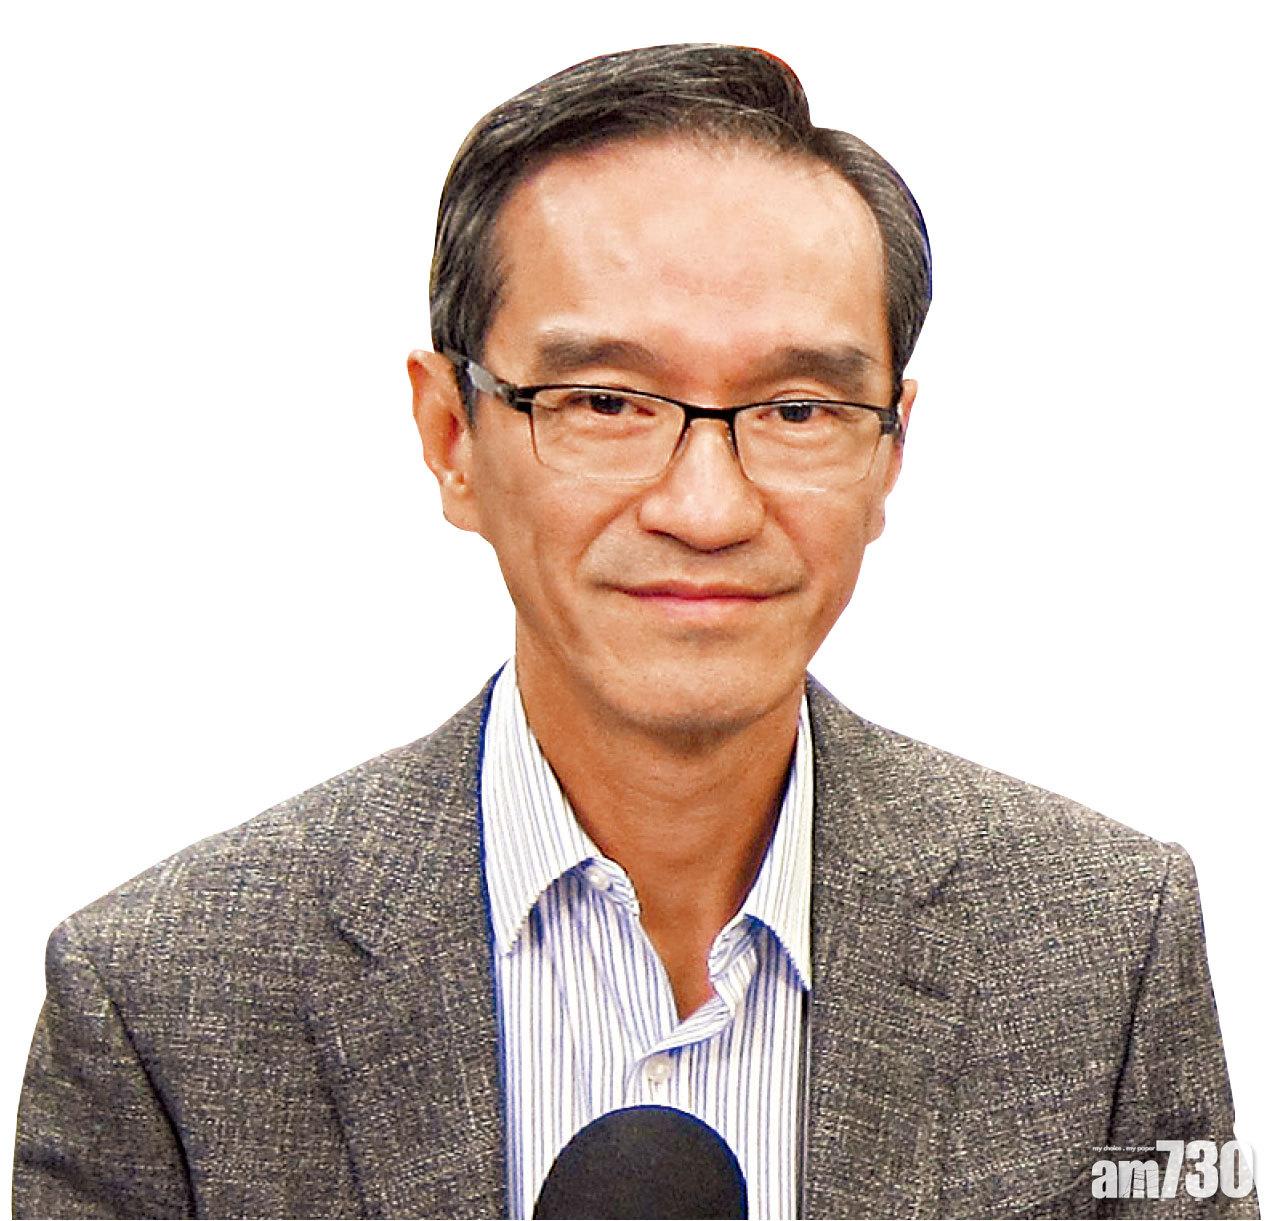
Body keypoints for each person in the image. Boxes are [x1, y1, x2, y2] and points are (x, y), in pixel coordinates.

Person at [13, 43, 1255, 1221]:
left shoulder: (1103, 947)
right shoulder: (163, 1007)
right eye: (605, 400)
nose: (705, 510)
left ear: (889, 453)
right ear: (450, 437)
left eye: (798, 409)